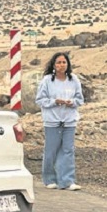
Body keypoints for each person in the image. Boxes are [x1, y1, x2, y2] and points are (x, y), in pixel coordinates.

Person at [35, 52, 84, 191]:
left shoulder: (74, 79)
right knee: (51, 151)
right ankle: (49, 179)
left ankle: (67, 181)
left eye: (64, 62)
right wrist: (54, 102)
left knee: (68, 150)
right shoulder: (47, 80)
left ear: (67, 64)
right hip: (52, 121)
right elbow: (40, 100)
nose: (61, 65)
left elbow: (80, 99)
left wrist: (72, 102)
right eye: (58, 62)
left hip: (69, 120)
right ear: (54, 65)